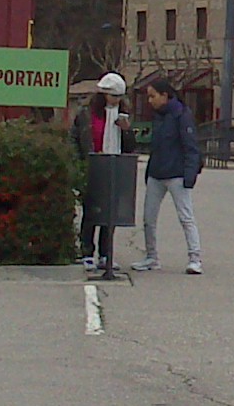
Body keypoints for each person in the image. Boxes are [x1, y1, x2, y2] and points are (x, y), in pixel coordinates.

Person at [136, 78, 204, 275]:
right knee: (149, 217)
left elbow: (191, 146)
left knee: (185, 216)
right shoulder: (158, 116)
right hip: (157, 172)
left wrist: (190, 174)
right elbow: (156, 146)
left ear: (165, 95)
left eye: (153, 96)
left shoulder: (182, 115)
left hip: (177, 174)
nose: (150, 101)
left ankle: (195, 257)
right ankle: (151, 256)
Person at [73, 73, 128, 271]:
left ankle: (106, 254)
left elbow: (130, 146)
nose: (117, 101)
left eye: (120, 97)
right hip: (94, 165)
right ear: (103, 95)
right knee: (91, 212)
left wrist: (127, 130)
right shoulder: (87, 114)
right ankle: (87, 252)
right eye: (114, 97)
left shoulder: (122, 114)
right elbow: (76, 139)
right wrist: (79, 164)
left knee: (110, 215)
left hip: (114, 166)